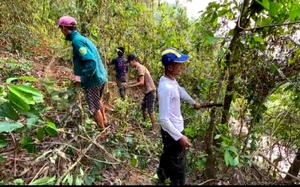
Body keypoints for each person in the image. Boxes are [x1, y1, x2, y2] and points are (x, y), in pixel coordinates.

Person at [155, 47, 203, 185]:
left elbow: (180, 91)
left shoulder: (171, 81)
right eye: (179, 64)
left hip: (173, 131)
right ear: (170, 67)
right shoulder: (165, 88)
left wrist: (193, 102)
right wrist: (180, 136)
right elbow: (163, 119)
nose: (182, 66)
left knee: (168, 156)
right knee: (179, 169)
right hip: (172, 133)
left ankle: (161, 175)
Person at [57, 16, 108, 130]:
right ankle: (105, 121)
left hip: (93, 81)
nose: (61, 32)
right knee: (98, 101)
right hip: (100, 77)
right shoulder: (82, 39)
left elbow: (91, 62)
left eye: (61, 28)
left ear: (65, 28)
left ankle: (102, 131)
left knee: (94, 108)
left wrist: (83, 78)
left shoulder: (76, 41)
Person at [122, 54, 157, 134]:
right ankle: (145, 122)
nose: (130, 65)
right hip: (148, 92)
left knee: (150, 111)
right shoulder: (139, 68)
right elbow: (137, 80)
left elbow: (141, 82)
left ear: (134, 61)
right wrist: (127, 83)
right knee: (143, 106)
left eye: (130, 62)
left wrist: (129, 86)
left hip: (150, 92)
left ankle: (154, 130)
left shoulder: (140, 68)